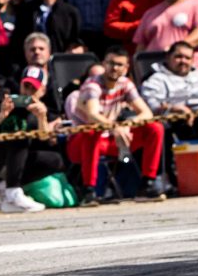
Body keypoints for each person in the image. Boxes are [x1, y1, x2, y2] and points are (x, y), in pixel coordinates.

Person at [65, 47, 166, 204]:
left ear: (126, 68)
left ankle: (147, 183)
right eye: (111, 63)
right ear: (104, 64)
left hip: (111, 141)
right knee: (92, 131)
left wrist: (129, 124)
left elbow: (147, 113)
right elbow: (93, 115)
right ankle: (88, 190)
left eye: (119, 64)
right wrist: (115, 127)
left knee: (155, 127)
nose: (114, 68)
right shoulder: (92, 85)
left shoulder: (125, 84)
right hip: (81, 143)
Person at [0, 72, 60, 213]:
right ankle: (12, 193)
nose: (28, 92)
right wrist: (2, 114)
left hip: (10, 163)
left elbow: (44, 139)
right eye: (26, 86)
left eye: (33, 88)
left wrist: (42, 117)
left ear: (42, 91)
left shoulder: (41, 109)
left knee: (54, 160)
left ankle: (3, 187)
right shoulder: (3, 97)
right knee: (18, 136)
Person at [140, 41, 198, 140]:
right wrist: (174, 108)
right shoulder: (155, 80)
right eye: (178, 56)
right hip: (175, 125)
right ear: (168, 57)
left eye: (187, 58)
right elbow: (151, 106)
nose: (183, 61)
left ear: (192, 60)